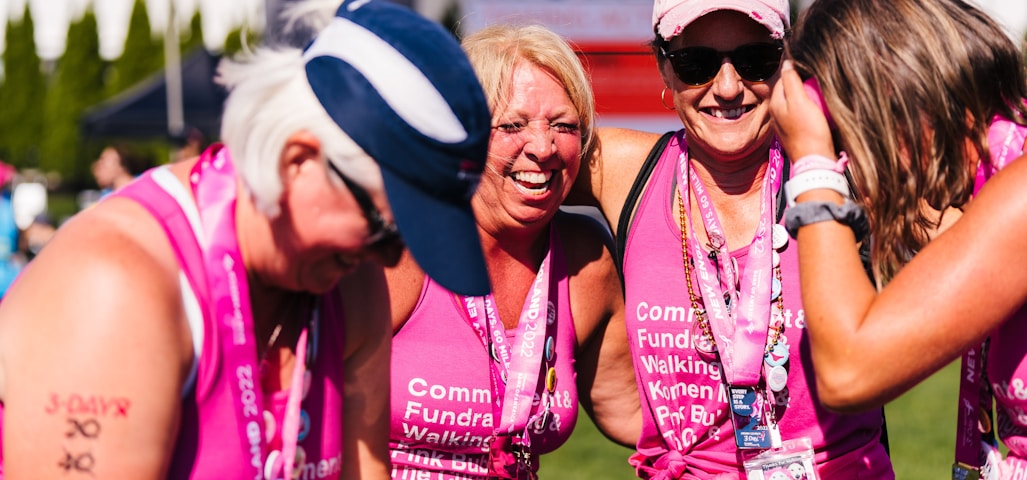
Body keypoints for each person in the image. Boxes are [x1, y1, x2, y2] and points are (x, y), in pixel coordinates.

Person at [0, 0, 493, 478]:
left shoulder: (352, 281)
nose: (391, 257)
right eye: (386, 230)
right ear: (297, 160)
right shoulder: (116, 287)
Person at [565, 0, 895, 477]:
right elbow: (487, 161)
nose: (726, 88)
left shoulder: (844, 171)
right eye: (695, 65)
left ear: (787, 61)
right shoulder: (620, 170)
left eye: (754, 61)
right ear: (664, 67)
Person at [769, 0, 1027, 477]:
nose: (852, 165)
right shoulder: (1002, 178)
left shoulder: (1021, 193)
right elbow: (939, 238)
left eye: (846, 135)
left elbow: (849, 372)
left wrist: (812, 161)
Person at [385, 24, 640, 479]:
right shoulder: (404, 247)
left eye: (563, 126)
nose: (542, 148)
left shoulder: (586, 261)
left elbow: (641, 415)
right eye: (513, 125)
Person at [92, 144, 156, 197]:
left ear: (121, 166)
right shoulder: (106, 195)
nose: (97, 167)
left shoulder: (146, 188)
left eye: (103, 162)